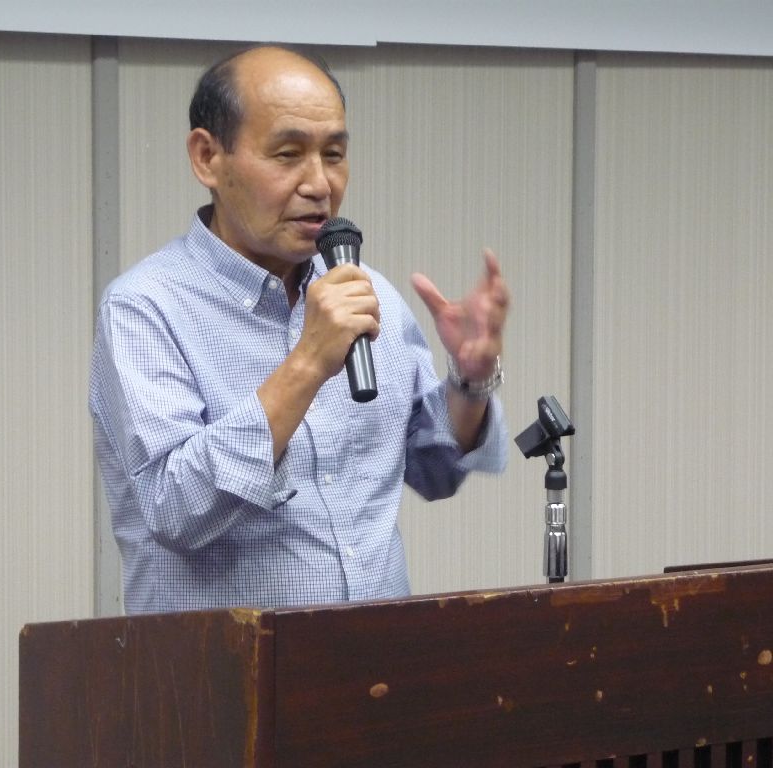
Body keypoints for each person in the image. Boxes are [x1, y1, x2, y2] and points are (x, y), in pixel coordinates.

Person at [90, 45, 510, 614]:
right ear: (208, 157)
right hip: (224, 664)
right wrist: (308, 364)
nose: (319, 183)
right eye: (288, 154)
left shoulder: (368, 294)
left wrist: (470, 381)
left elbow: (433, 470)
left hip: (378, 656)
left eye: (334, 154)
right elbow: (175, 507)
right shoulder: (144, 308)